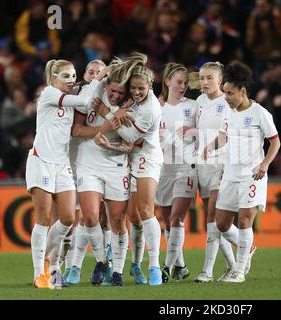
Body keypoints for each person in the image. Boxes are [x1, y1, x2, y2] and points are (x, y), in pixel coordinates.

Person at [203, 62, 280, 283]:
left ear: (243, 92)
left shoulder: (260, 113)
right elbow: (224, 136)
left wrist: (264, 164)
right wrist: (211, 146)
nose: (225, 97)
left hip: (252, 175)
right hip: (230, 174)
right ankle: (249, 248)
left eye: (230, 93)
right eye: (225, 92)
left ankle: (238, 270)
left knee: (245, 221)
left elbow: (275, 143)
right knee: (222, 224)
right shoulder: (229, 112)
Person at [93, 52, 165, 286]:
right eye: (133, 88)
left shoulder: (151, 109)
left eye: (140, 89)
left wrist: (108, 114)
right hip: (127, 156)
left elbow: (131, 136)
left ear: (150, 86)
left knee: (145, 211)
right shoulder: (132, 99)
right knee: (132, 216)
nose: (135, 92)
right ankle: (133, 265)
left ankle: (154, 265)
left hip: (147, 157)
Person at [26, 59, 95, 289]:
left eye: (73, 75)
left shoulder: (69, 98)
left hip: (62, 164)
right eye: (65, 76)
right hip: (41, 162)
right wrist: (100, 80)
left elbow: (86, 100)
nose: (71, 80)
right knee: (44, 218)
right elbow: (85, 99)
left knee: (67, 219)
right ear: (53, 78)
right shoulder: (48, 94)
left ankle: (48, 259)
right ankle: (41, 273)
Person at [70, 58, 133, 287]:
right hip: (88, 162)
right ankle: (101, 262)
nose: (115, 95)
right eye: (112, 91)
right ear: (106, 85)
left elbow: (132, 136)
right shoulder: (91, 94)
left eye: (119, 92)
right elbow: (76, 129)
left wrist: (108, 114)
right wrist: (101, 128)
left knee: (117, 220)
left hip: (116, 163)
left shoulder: (132, 101)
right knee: (89, 217)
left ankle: (118, 271)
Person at [193, 62, 239, 283]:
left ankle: (207, 271)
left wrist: (212, 146)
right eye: (201, 78)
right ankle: (236, 259)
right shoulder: (200, 102)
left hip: (222, 164)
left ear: (220, 80)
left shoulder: (228, 102)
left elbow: (228, 134)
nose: (204, 82)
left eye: (209, 78)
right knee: (214, 222)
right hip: (203, 166)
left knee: (213, 217)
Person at [156, 63, 198, 282]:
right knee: (168, 222)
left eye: (185, 83)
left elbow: (213, 129)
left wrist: (196, 131)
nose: (183, 87)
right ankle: (181, 266)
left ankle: (166, 268)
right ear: (167, 82)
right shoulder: (155, 106)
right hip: (162, 170)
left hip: (187, 167)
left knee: (177, 219)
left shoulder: (194, 106)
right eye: (179, 82)